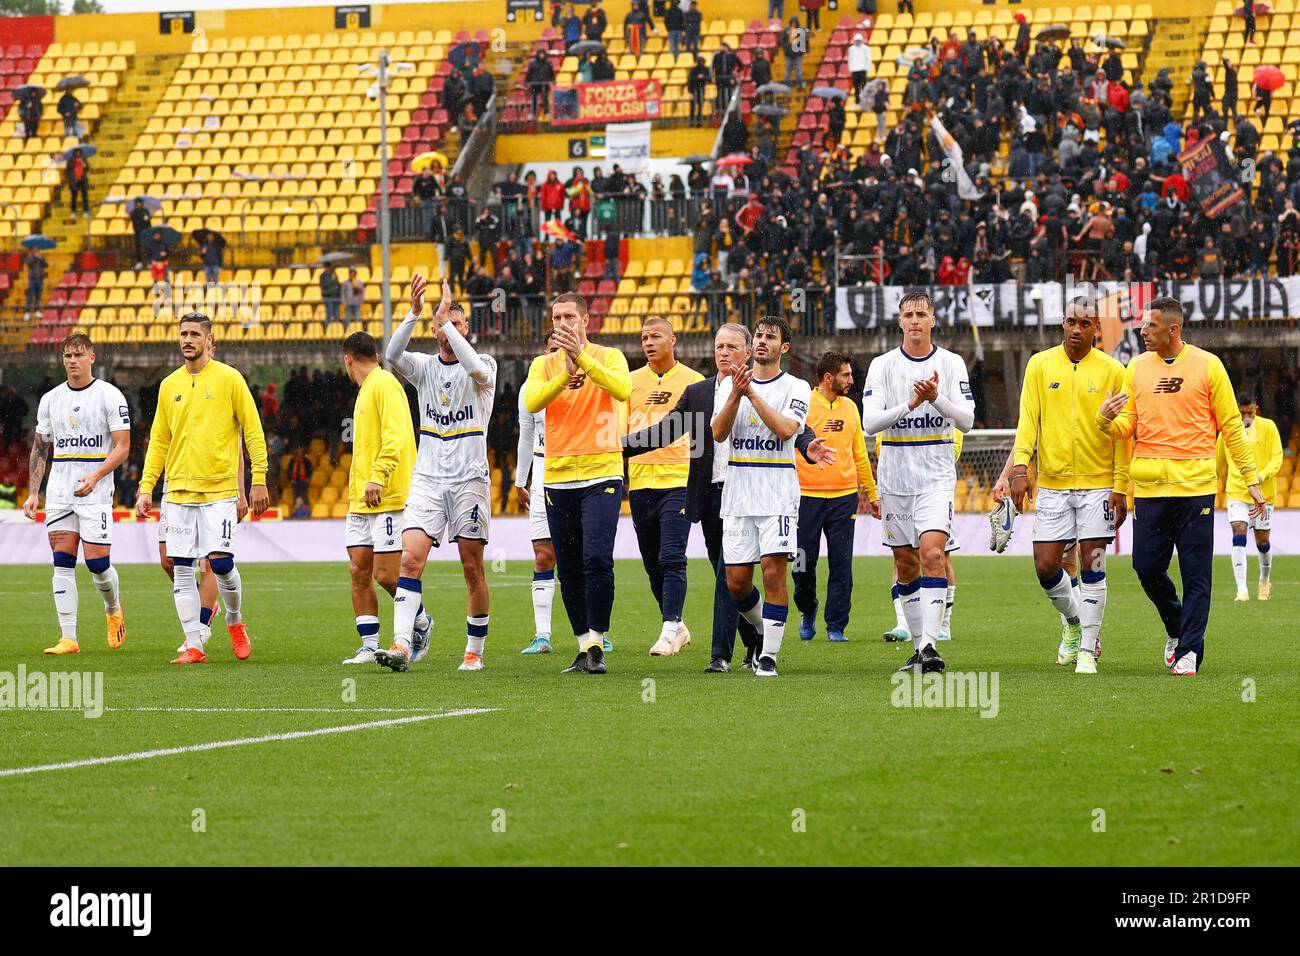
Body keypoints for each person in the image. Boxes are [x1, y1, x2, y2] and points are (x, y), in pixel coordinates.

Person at [1097, 297, 1263, 676]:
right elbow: (1127, 427)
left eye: (1150, 326)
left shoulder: (1208, 366)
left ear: (1173, 329)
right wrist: (1105, 421)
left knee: (1196, 574)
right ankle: (1177, 627)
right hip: (1151, 491)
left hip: (1196, 490)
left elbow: (1232, 427)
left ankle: (1189, 651)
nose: (1142, 331)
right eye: (1142, 325)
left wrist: (1250, 479)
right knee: (1146, 568)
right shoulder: (1135, 368)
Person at [376, 276, 496, 673]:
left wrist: (445, 319)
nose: (451, 329)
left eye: (459, 324)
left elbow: (474, 366)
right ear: (434, 330)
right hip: (427, 479)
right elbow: (391, 356)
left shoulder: (485, 367)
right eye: (445, 324)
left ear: (465, 330)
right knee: (409, 560)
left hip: (468, 481)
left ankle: (474, 650)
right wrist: (414, 312)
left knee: (471, 567)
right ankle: (402, 644)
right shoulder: (424, 367)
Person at [136, 312, 270, 664]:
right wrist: (146, 486)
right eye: (183, 333)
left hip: (220, 491)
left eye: (195, 334)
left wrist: (259, 480)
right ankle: (194, 644)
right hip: (177, 492)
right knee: (180, 566)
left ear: (209, 341)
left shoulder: (230, 379)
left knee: (221, 563)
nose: (188, 339)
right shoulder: (169, 386)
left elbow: (253, 432)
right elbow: (158, 442)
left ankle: (234, 620)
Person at [1008, 301, 1130, 674]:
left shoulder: (1113, 370)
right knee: (1046, 566)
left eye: (1085, 323)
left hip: (1098, 484)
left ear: (1097, 328)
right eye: (1071, 321)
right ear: (1063, 323)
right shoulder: (1040, 365)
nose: (1077, 329)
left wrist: (1122, 485)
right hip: (1054, 484)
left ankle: (1088, 650)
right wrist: (1018, 467)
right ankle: (1075, 625)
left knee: (1093, 563)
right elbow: (1028, 420)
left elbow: (1126, 432)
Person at [861, 291, 975, 674]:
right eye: (908, 314)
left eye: (921, 314)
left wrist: (936, 398)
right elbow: (869, 423)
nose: (914, 320)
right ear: (899, 321)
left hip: (935, 477)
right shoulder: (882, 365)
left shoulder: (952, 363)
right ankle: (917, 646)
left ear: (933, 320)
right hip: (894, 477)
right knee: (905, 562)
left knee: (931, 554)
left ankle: (929, 644)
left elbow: (967, 420)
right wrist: (910, 405)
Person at [523, 292, 631, 675]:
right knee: (567, 567)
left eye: (570, 315)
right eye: (557, 316)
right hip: (557, 477)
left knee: (597, 559)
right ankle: (583, 645)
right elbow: (533, 402)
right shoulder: (543, 364)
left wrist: (580, 358)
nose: (563, 322)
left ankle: (599, 642)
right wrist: (566, 372)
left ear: (586, 321)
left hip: (602, 473)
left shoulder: (609, 356)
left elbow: (621, 389)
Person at [711, 315, 810, 678]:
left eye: (771, 337)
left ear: (784, 347)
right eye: (759, 336)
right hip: (738, 494)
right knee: (736, 583)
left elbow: (786, 430)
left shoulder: (797, 387)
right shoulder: (727, 385)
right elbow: (719, 434)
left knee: (773, 574)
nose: (763, 341)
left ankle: (768, 656)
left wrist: (751, 392)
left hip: (778, 495)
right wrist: (737, 393)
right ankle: (764, 629)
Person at [23, 333, 132, 656]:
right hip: (59, 492)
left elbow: (123, 446)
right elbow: (40, 448)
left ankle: (113, 608)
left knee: (97, 565)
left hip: (95, 492)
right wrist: (33, 493)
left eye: (78, 354)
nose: (72, 360)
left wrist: (97, 475)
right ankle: (68, 637)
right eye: (67, 355)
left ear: (91, 358)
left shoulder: (110, 396)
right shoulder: (50, 400)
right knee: (62, 562)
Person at [339, 330, 433, 666]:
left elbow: (395, 436)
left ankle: (420, 620)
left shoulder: (385, 385)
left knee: (385, 574)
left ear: (348, 359)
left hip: (388, 496)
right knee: (358, 569)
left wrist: (378, 476)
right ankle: (368, 645)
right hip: (361, 498)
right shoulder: (367, 389)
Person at [626, 317, 704, 656]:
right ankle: (676, 625)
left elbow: (701, 438)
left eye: (656, 336)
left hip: (678, 481)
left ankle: (669, 626)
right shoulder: (628, 383)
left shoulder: (694, 381)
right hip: (640, 483)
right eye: (644, 337)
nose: (649, 342)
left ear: (673, 339)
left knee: (672, 556)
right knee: (651, 562)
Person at [793, 351, 879, 644]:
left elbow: (860, 455)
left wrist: (872, 493)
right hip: (806, 497)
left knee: (842, 564)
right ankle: (808, 607)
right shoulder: (803, 405)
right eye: (846, 374)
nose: (851, 380)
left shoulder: (851, 408)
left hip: (844, 498)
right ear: (829, 378)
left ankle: (836, 626)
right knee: (803, 564)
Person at [516, 332, 562, 655]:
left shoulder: (584, 382)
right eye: (551, 349)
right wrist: (521, 480)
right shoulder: (531, 388)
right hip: (543, 473)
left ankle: (595, 632)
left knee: (585, 559)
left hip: (579, 472)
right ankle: (542, 635)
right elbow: (526, 435)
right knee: (544, 554)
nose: (556, 354)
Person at [1218, 393, 1283, 602]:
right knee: (1239, 531)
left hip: (1264, 494)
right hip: (1237, 491)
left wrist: (1261, 476)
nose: (1246, 416)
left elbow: (1277, 457)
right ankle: (1241, 589)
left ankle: (1264, 580)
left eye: (1250, 412)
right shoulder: (1227, 432)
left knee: (1262, 541)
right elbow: (1218, 464)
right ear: (1238, 410)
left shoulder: (1269, 427)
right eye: (1243, 412)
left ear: (1256, 408)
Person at [525, 49, 555, 118]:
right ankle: (533, 113)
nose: (541, 55)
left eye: (543, 54)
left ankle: (547, 112)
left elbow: (551, 73)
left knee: (545, 98)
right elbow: (529, 73)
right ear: (538, 54)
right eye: (540, 54)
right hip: (535, 84)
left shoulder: (548, 63)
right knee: (534, 98)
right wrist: (527, 82)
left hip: (544, 83)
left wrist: (553, 81)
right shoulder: (532, 63)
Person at [781, 17, 807, 90]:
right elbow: (782, 41)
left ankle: (799, 84)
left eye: (795, 22)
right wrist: (786, 48)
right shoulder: (786, 30)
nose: (793, 23)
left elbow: (804, 42)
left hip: (798, 54)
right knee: (788, 70)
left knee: (798, 70)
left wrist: (803, 52)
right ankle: (786, 84)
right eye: (792, 22)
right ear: (790, 22)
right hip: (788, 54)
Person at [66, 147, 90, 218]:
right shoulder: (70, 160)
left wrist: (83, 163)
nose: (78, 153)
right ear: (74, 153)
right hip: (74, 181)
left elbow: (88, 168)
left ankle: (86, 211)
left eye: (79, 152)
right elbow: (67, 171)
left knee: (85, 196)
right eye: (76, 152)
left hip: (83, 180)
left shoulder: (83, 159)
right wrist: (70, 180)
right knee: (74, 197)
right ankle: (73, 212)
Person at [847, 33, 872, 100]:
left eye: (859, 40)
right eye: (857, 40)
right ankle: (857, 101)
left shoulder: (866, 48)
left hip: (863, 70)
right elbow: (850, 60)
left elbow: (868, 59)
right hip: (855, 71)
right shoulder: (851, 49)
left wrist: (867, 69)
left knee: (864, 86)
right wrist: (851, 69)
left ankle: (865, 100)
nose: (858, 42)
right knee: (856, 87)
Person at [24, 248, 46, 319]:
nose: (37, 250)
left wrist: (41, 258)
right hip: (32, 280)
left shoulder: (41, 257)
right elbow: (29, 264)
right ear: (32, 250)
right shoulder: (29, 258)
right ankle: (27, 312)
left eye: (37, 249)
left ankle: (37, 311)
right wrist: (35, 258)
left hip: (40, 280)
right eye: (35, 249)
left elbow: (46, 265)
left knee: (38, 296)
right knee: (30, 296)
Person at [130, 198, 152, 268]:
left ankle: (149, 262)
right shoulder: (133, 212)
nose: (139, 204)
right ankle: (139, 262)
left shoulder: (145, 211)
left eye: (140, 203)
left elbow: (149, 222)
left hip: (146, 232)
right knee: (138, 247)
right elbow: (135, 222)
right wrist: (142, 219)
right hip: (138, 232)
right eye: (137, 203)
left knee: (147, 247)